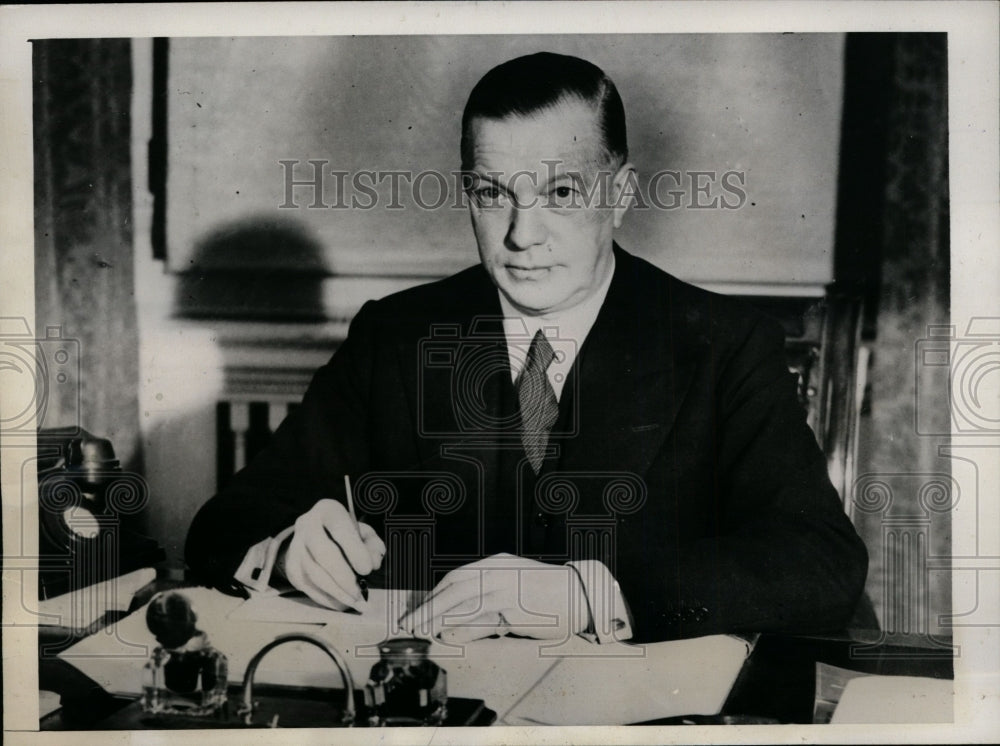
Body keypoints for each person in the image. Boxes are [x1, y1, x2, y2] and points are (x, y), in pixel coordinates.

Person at [186, 52, 868, 645]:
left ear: (622, 195)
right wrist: (282, 552)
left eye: (561, 192)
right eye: (492, 194)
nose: (521, 235)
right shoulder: (396, 336)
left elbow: (820, 561)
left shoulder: (721, 344)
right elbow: (226, 522)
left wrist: (587, 596)